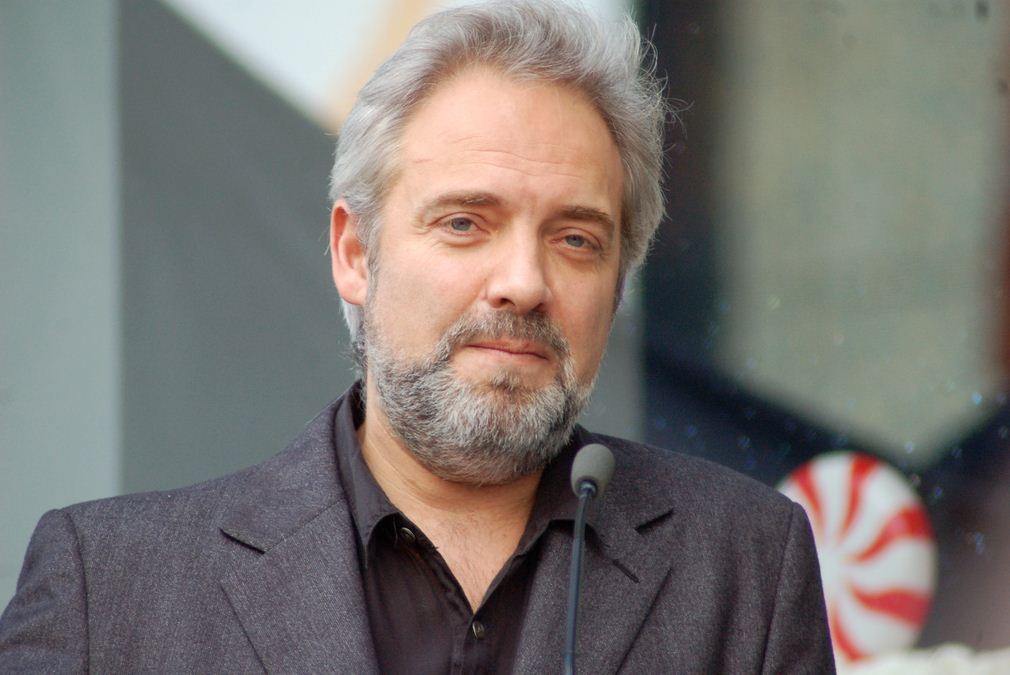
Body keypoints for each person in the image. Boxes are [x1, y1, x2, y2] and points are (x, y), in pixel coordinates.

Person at [0, 1, 835, 672]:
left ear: (619, 283)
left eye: (577, 238)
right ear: (355, 254)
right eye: (465, 222)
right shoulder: (107, 592)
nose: (525, 281)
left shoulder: (747, 568)